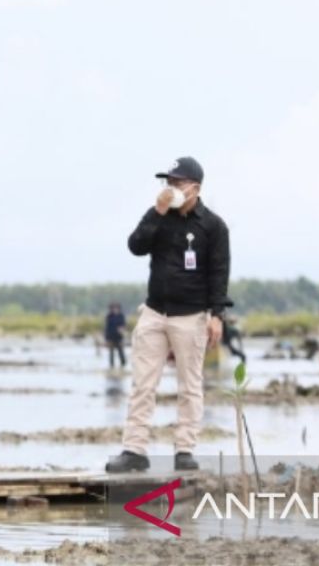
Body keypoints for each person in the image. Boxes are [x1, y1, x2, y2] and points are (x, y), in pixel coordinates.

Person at [107, 157, 229, 474]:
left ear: (195, 188)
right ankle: (134, 450)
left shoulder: (213, 226)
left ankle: (185, 450)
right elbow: (135, 245)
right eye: (168, 183)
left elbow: (219, 273)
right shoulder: (160, 217)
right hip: (154, 311)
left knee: (190, 385)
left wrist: (217, 315)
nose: (171, 189)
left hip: (191, 316)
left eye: (177, 183)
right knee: (143, 384)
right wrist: (157, 211)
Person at [104, 303, 127, 368]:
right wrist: (106, 339)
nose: (115, 309)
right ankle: (112, 365)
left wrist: (122, 329)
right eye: (114, 308)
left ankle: (123, 364)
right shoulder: (109, 316)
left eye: (116, 308)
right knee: (111, 353)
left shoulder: (121, 316)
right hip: (111, 337)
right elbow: (106, 328)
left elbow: (123, 325)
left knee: (121, 351)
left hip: (119, 337)